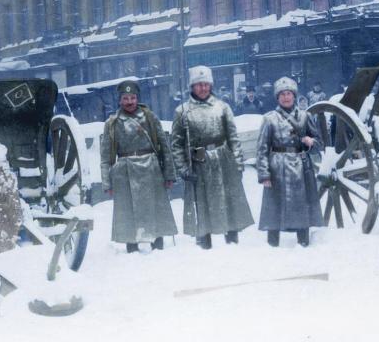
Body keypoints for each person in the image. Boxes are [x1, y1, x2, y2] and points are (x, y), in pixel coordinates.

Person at [171, 65, 254, 249]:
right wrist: (183, 168)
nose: (203, 88)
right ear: (191, 87)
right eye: (198, 85)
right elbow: (176, 144)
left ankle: (232, 241)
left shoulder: (222, 107)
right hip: (198, 155)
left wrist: (238, 163)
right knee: (203, 202)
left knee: (229, 201)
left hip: (223, 155)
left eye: (206, 84)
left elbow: (233, 137)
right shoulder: (182, 111)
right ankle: (205, 244)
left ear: (211, 85)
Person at [99, 80, 177, 253]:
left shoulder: (150, 117)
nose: (129, 102)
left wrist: (169, 175)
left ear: (137, 98)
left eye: (132, 97)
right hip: (125, 170)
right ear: (119, 100)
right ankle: (131, 248)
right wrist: (107, 183)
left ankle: (158, 245)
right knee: (128, 210)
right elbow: (105, 156)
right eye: (125, 98)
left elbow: (164, 147)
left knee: (155, 207)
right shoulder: (112, 123)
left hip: (151, 168)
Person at [255, 77, 324, 247]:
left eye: (289, 94)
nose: (286, 97)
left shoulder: (305, 116)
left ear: (294, 96)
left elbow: (319, 143)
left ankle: (303, 241)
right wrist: (264, 174)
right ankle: (272, 244)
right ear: (277, 98)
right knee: (274, 206)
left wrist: (311, 142)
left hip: (302, 167)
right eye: (282, 95)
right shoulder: (269, 119)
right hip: (277, 167)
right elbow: (262, 149)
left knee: (302, 205)